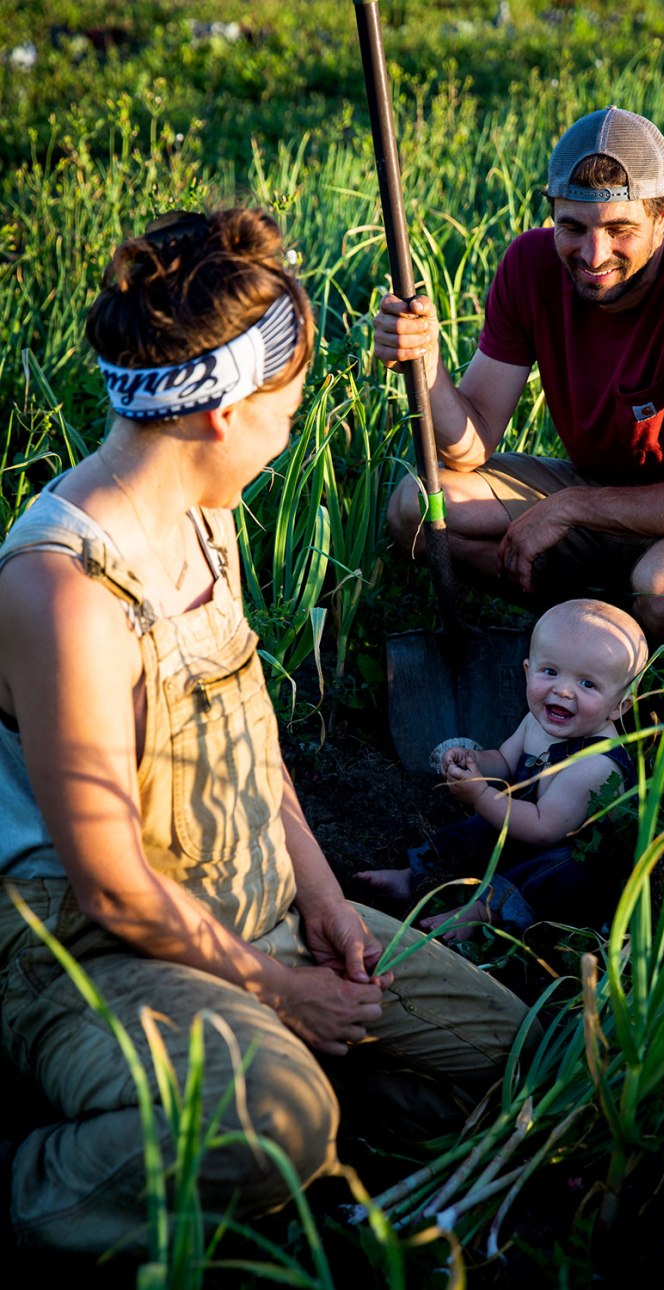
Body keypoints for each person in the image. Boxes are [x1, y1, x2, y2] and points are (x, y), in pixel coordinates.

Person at [0, 208, 533, 1258]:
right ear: (220, 413)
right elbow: (109, 885)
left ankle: (278, 1090)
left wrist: (325, 901)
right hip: (92, 947)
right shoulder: (63, 588)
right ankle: (38, 1183)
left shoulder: (205, 511)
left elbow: (247, 736)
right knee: (277, 1125)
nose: (288, 432)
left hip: (251, 896)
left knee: (502, 1051)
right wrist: (281, 987)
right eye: (285, 409)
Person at [373, 106, 664, 642]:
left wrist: (571, 508)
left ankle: (646, 668)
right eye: (572, 227)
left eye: (620, 228)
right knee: (418, 507)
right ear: (552, 210)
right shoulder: (529, 266)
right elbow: (469, 447)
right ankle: (590, 634)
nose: (593, 254)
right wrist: (427, 363)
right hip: (608, 492)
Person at [358, 599, 647, 942]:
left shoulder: (596, 764)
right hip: (523, 823)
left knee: (550, 875)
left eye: (587, 684)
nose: (563, 690)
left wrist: (480, 794)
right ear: (527, 671)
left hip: (571, 854)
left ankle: (484, 914)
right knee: (474, 828)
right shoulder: (536, 723)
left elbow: (542, 829)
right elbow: (506, 761)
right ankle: (413, 876)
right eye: (550, 672)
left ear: (620, 706)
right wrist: (475, 763)